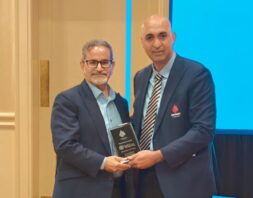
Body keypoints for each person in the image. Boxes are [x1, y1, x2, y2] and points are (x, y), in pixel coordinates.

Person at [128, 15, 216, 198]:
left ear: (173, 37)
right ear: (141, 42)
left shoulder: (196, 75)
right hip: (143, 178)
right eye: (150, 37)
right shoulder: (140, 77)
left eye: (162, 35)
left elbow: (203, 130)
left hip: (183, 182)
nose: (157, 44)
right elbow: (140, 123)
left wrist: (159, 155)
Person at [51, 39, 134, 198]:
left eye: (104, 62)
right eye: (93, 62)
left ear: (112, 66)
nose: (99, 68)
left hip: (117, 189)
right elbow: (65, 146)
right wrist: (103, 163)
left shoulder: (121, 103)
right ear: (83, 65)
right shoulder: (67, 100)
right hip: (81, 190)